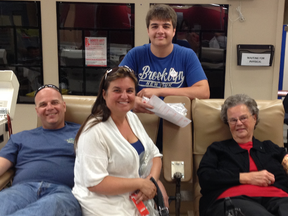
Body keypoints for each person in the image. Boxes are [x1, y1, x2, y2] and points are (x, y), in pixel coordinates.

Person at [72, 66, 163, 216]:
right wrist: (140, 183)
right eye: (117, 90)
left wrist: (150, 183)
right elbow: (95, 182)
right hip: (104, 206)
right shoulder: (93, 131)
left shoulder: (131, 118)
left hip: (134, 201)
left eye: (129, 91)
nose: (124, 96)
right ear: (104, 94)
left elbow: (155, 155)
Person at [197, 94, 288, 216]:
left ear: (254, 118)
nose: (238, 123)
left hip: (280, 199)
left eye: (243, 118)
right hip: (235, 199)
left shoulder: (269, 147)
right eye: (233, 120)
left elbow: (285, 157)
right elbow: (205, 177)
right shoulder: (218, 149)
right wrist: (247, 178)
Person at [0, 84, 82, 216]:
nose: (49, 108)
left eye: (54, 102)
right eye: (43, 105)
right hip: (21, 190)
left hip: (62, 193)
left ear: (64, 106)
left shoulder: (83, 133)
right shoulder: (20, 138)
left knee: (52, 206)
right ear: (37, 111)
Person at [119, 4, 210, 114]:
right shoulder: (135, 54)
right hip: (142, 123)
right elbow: (115, 86)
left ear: (174, 31)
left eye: (166, 26)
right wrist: (132, 101)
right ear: (148, 31)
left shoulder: (187, 55)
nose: (160, 31)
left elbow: (204, 92)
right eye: (155, 26)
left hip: (177, 125)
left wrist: (160, 92)